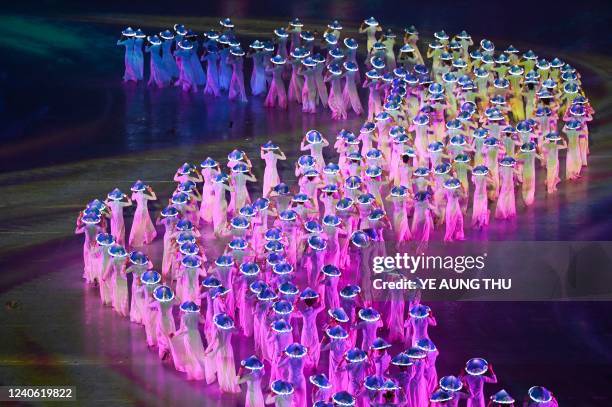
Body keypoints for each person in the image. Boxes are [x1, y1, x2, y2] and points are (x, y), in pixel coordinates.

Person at [129, 181, 157, 247]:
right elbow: (154, 198)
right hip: (144, 211)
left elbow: (132, 199)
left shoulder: (135, 195)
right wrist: (151, 191)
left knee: (136, 225)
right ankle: (147, 240)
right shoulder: (144, 195)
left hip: (138, 211)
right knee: (146, 225)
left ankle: (134, 240)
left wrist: (133, 191)